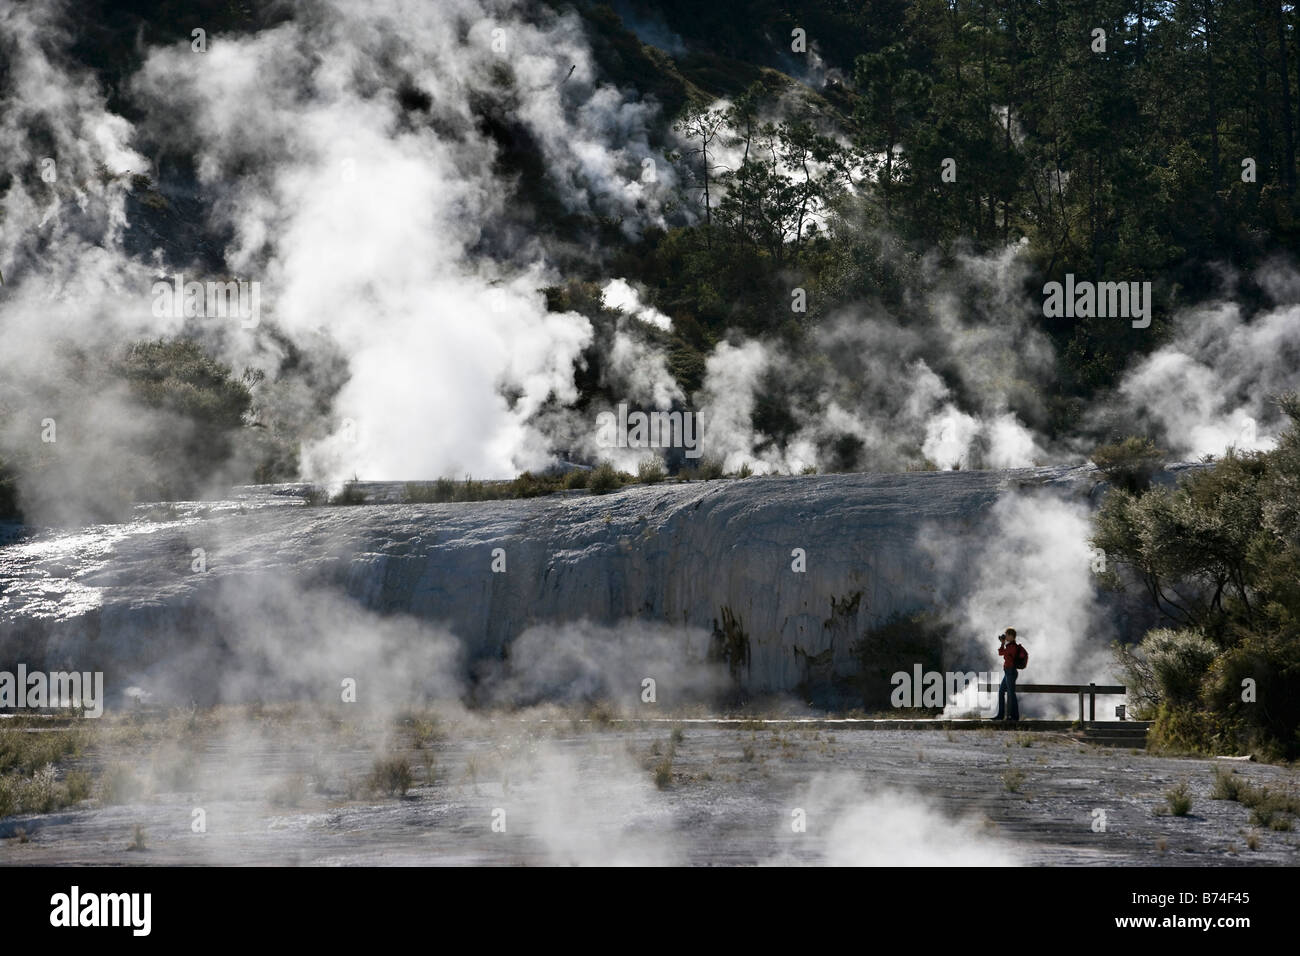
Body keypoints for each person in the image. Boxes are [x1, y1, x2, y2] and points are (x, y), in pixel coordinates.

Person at [992, 627, 1022, 721]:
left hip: (1011, 672)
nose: (1005, 637)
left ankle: (1014, 717)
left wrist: (1003, 643)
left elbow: (1000, 653)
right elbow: (1001, 653)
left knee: (1011, 694)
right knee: (1001, 692)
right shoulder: (1009, 646)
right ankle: (1001, 715)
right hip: (1008, 672)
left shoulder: (1012, 647)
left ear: (1012, 636)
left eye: (1007, 635)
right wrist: (1003, 643)